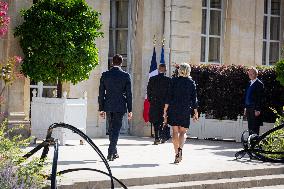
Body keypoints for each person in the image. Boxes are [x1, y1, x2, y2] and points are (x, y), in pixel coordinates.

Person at [98, 54, 132, 161]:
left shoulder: (105, 75)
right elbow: (129, 94)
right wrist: (130, 109)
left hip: (108, 105)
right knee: (116, 129)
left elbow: (101, 93)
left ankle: (114, 151)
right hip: (120, 105)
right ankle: (110, 151)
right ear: (122, 63)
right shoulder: (126, 76)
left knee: (112, 128)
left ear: (112, 63)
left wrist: (101, 108)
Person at [163, 63, 198, 164]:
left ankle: (176, 154)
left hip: (174, 109)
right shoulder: (191, 82)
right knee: (182, 132)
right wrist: (196, 112)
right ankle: (180, 150)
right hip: (185, 109)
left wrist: (165, 110)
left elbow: (168, 96)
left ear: (179, 70)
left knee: (174, 131)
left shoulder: (173, 81)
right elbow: (194, 99)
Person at [147, 64, 171, 145]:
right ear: (166, 70)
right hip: (164, 104)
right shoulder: (169, 80)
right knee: (162, 120)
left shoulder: (152, 79)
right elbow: (170, 94)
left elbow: (148, 92)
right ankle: (161, 136)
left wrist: (151, 101)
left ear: (158, 70)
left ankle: (157, 137)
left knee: (155, 121)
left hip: (154, 103)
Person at [244, 67, 264, 135]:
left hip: (254, 108)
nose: (250, 75)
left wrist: (258, 109)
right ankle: (251, 142)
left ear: (256, 74)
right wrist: (245, 108)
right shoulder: (249, 83)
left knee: (255, 126)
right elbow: (246, 96)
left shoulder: (259, 84)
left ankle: (255, 142)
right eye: (249, 74)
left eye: (251, 74)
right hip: (248, 107)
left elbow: (260, 98)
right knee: (250, 126)